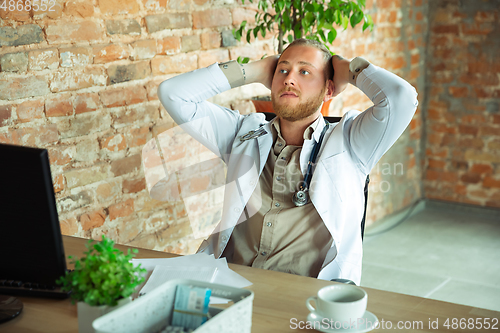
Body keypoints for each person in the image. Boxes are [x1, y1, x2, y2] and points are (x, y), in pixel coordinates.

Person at [158, 38, 418, 285]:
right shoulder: (243, 133)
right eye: (282, 70)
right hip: (229, 280)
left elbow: (401, 98)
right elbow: (173, 94)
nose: (289, 80)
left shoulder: (351, 142)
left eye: (305, 72)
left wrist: (348, 69)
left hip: (305, 293)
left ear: (329, 89)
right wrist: (255, 70)